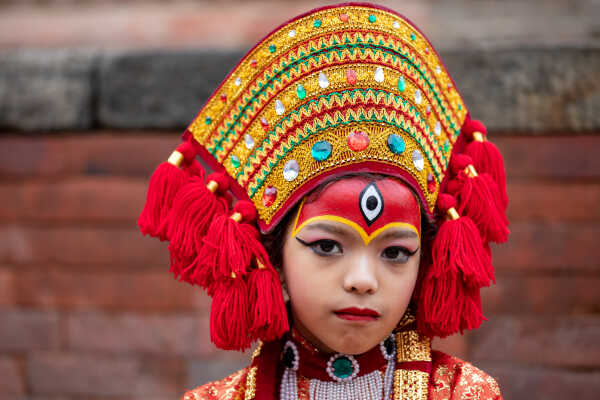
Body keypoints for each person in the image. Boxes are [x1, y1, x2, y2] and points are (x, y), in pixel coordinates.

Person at [138, 3, 509, 399]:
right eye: (327, 246)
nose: (362, 281)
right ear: (274, 259)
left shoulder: (464, 394)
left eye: (397, 253)